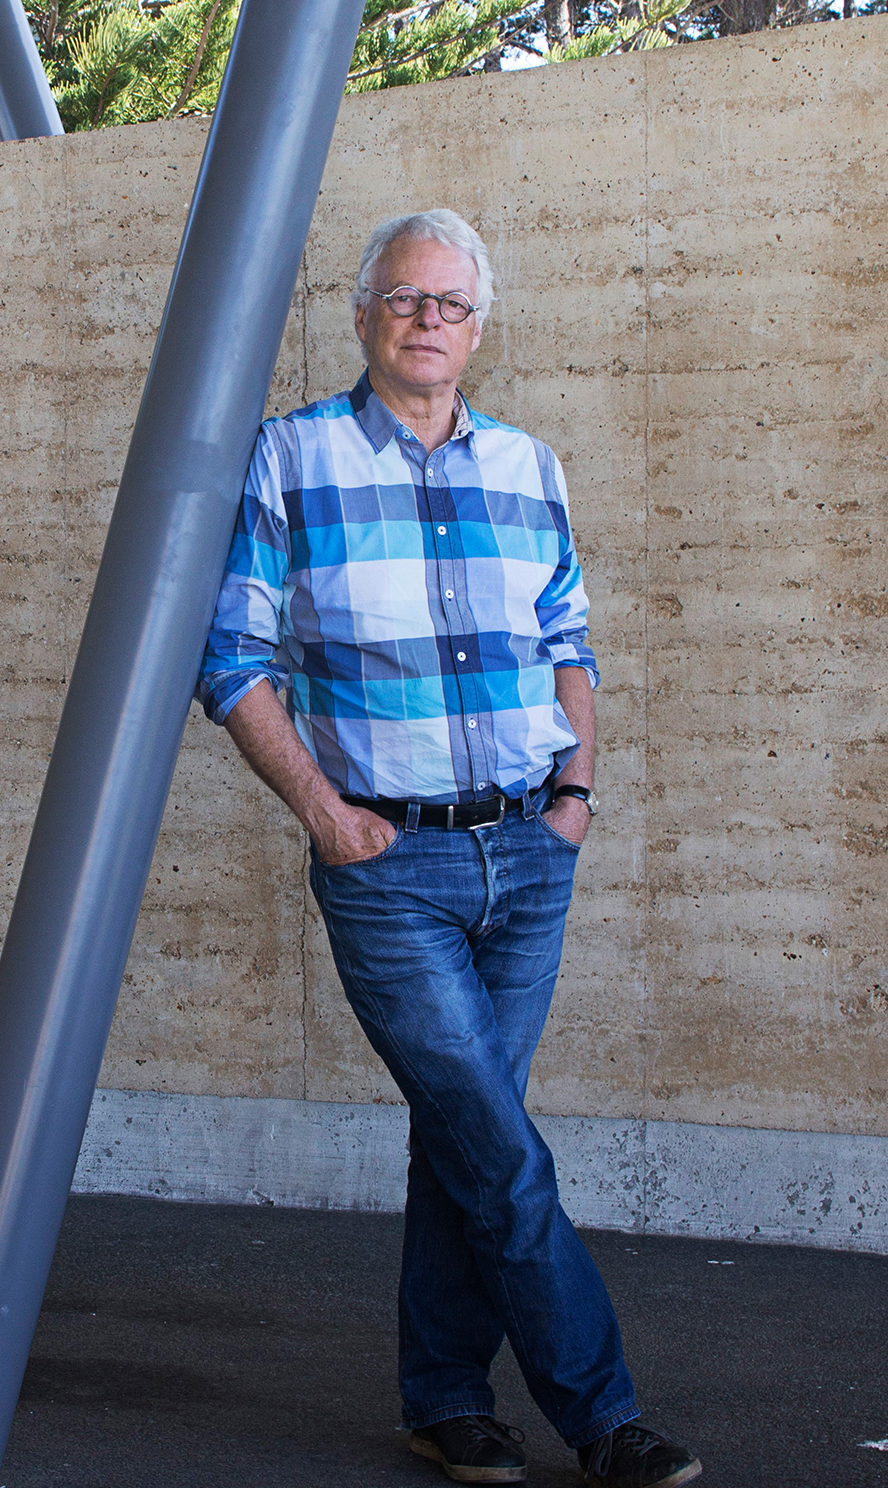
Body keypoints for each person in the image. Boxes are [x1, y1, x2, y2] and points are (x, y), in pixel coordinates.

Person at [197, 209, 701, 1488]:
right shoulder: (287, 458)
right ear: (363, 312)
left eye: (452, 304)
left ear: (480, 325)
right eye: (407, 298)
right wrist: (324, 814)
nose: (430, 320)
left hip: (530, 855)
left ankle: (442, 1400)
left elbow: (569, 647)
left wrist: (574, 795)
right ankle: (603, 1416)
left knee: (463, 1135)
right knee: (497, 1141)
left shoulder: (530, 467)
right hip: (391, 870)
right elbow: (233, 656)